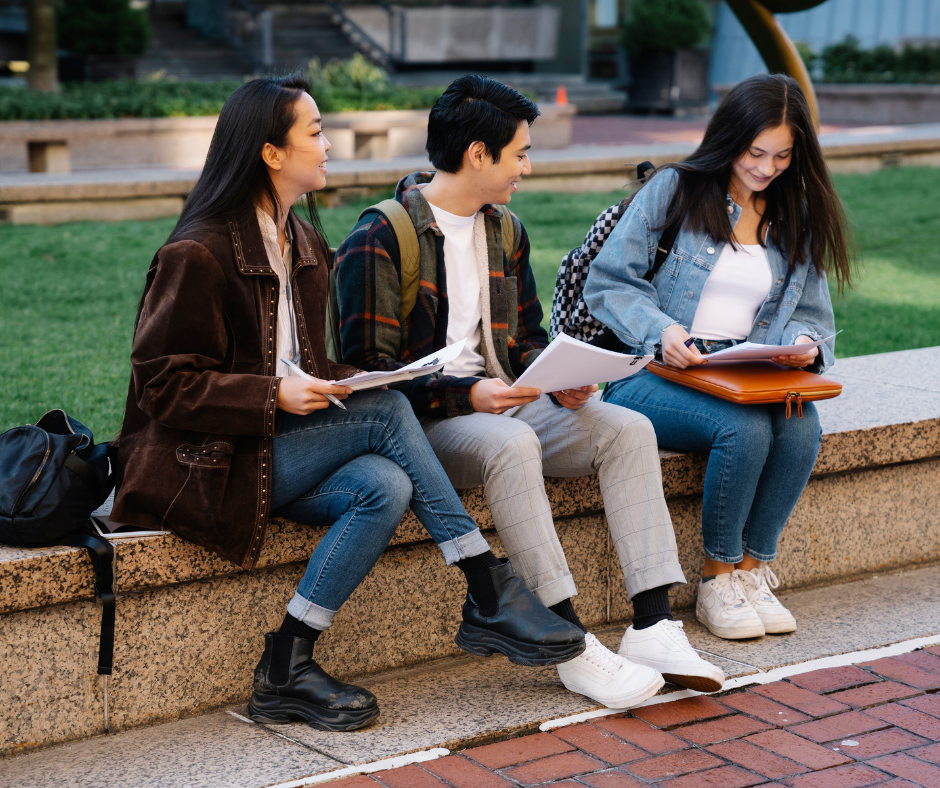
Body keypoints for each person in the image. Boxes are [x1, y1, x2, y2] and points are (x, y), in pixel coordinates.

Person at [112, 74, 586, 733]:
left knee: (385, 485)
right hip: (210, 466)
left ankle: (287, 659)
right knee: (391, 411)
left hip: (275, 449)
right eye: (314, 132)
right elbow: (161, 385)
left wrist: (338, 382)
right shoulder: (199, 251)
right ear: (271, 153)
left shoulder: (302, 242)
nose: (329, 144)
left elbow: (306, 361)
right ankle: (484, 584)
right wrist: (275, 391)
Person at [335, 74, 725, 708]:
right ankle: (567, 640)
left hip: (504, 404)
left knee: (626, 428)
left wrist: (560, 374)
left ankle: (653, 625)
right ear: (477, 155)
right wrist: (469, 396)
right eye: (519, 152)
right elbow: (369, 376)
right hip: (426, 423)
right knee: (511, 440)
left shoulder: (505, 231)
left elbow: (522, 341)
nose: (527, 165)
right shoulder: (381, 237)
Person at [584, 74, 854, 640]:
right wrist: (661, 330)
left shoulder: (794, 213)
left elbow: (814, 315)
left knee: (802, 427)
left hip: (746, 370)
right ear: (730, 137)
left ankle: (752, 571)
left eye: (782, 155)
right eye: (755, 152)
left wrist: (804, 345)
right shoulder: (676, 190)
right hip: (653, 369)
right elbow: (608, 283)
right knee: (746, 432)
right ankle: (716, 579)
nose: (766, 167)